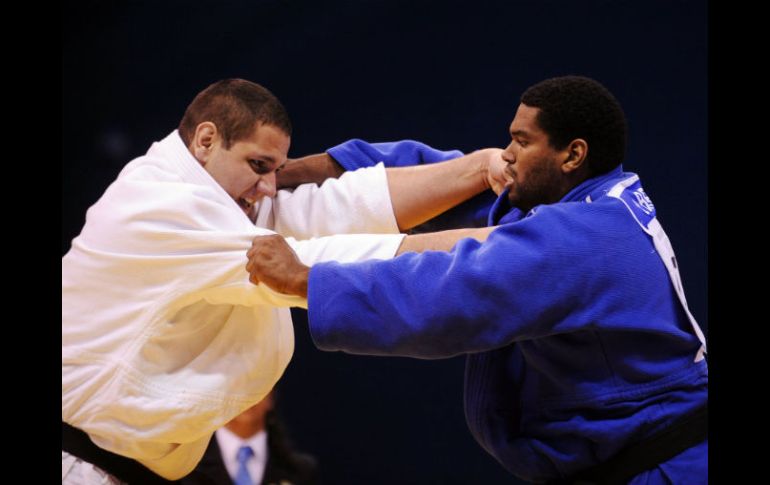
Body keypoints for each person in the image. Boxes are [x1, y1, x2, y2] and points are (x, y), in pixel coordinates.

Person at [245, 76, 708, 484]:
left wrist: (308, 280)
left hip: (663, 467)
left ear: (573, 155)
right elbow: (422, 173)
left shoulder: (585, 237)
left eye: (522, 142)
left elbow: (451, 292)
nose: (506, 154)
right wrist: (277, 173)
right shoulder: (587, 203)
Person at [62, 78, 506, 482]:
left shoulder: (216, 193)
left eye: (276, 169)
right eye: (258, 165)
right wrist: (506, 243)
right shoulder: (161, 205)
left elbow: (334, 209)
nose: (270, 187)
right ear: (206, 140)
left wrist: (479, 167)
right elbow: (317, 258)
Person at [181, 390, 318, 485]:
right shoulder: (184, 467)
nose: (248, 395)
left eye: (258, 384)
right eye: (238, 385)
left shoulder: (300, 471)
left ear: (271, 394)